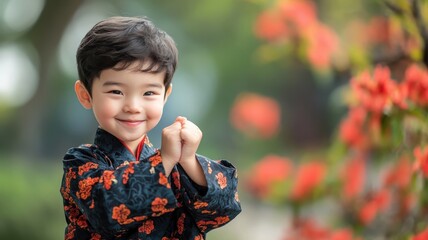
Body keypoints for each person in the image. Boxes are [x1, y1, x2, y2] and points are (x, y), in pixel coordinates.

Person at [60, 16, 241, 240]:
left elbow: (223, 211)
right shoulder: (81, 163)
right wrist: (164, 161)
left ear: (165, 96)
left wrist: (189, 161)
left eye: (149, 93)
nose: (133, 107)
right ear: (85, 95)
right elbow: (108, 210)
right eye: (116, 91)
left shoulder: (176, 166)